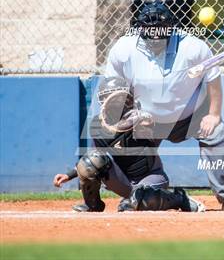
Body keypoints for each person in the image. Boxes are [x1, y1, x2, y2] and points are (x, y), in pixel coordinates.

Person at [82, 1, 224, 211]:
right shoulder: (123, 49)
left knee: (216, 133)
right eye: (148, 30)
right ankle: (142, 192)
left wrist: (214, 114)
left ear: (172, 27)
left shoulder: (193, 47)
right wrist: (131, 117)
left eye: (161, 30)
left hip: (190, 115)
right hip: (144, 118)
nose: (155, 36)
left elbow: (212, 78)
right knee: (106, 134)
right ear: (139, 28)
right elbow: (113, 93)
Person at [53, 76, 206, 213]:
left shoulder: (142, 118)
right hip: (123, 181)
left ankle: (179, 198)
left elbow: (171, 129)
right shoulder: (98, 126)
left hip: (150, 177)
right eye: (108, 98)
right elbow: (94, 155)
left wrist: (155, 123)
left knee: (134, 203)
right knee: (90, 161)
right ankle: (93, 205)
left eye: (119, 98)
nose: (114, 102)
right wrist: (69, 175)